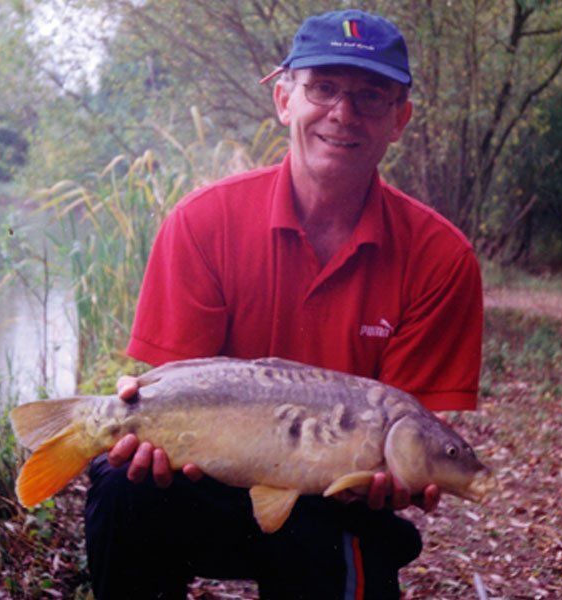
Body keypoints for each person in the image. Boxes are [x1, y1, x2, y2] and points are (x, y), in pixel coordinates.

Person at [85, 8, 483, 599]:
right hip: (205, 485)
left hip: (341, 505)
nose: (343, 113)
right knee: (123, 485)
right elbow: (180, 387)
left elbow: (408, 439)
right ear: (283, 100)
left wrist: (399, 477)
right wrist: (142, 427)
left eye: (371, 96)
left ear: (400, 119)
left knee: (352, 536)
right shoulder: (202, 222)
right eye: (323, 88)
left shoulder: (441, 257)